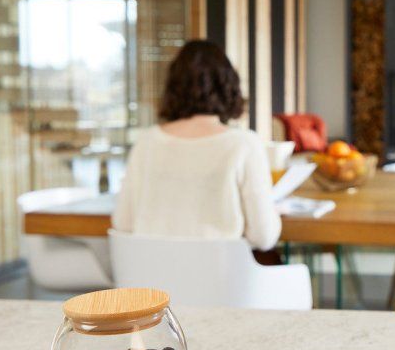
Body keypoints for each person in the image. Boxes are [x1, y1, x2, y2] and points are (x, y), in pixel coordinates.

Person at [113, 40, 282, 251]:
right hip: (220, 271)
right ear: (229, 87)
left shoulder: (146, 143)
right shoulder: (244, 144)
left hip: (151, 271)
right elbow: (264, 237)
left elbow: (123, 224)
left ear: (172, 89)